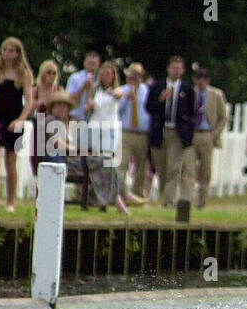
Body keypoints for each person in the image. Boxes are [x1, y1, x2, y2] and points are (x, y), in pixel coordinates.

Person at [0, 37, 34, 213]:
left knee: (11, 160)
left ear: (18, 53)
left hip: (15, 116)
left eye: (11, 50)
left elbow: (29, 101)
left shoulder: (24, 73)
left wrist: (21, 119)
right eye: (4, 50)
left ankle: (10, 200)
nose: (7, 54)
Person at [146, 55, 195, 206]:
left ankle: (168, 201)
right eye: (173, 68)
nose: (176, 71)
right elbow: (149, 107)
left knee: (174, 168)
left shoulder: (187, 89)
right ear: (168, 69)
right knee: (161, 167)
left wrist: (187, 132)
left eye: (179, 68)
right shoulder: (157, 86)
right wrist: (160, 100)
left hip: (177, 133)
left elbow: (192, 113)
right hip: (160, 131)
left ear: (183, 70)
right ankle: (165, 195)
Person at [83, 62, 128, 213]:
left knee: (108, 162)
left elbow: (119, 95)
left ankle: (114, 199)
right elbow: (88, 107)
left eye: (110, 74)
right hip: (95, 130)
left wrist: (110, 93)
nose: (107, 77)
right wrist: (89, 105)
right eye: (104, 74)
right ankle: (119, 199)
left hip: (109, 130)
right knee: (102, 163)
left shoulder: (117, 90)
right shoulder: (95, 90)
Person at [185, 67, 226, 209]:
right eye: (198, 79)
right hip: (192, 134)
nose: (201, 82)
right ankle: (188, 200)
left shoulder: (216, 95)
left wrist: (214, 134)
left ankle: (202, 202)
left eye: (204, 79)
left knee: (205, 170)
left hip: (207, 134)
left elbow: (223, 118)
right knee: (189, 168)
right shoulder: (189, 93)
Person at [116, 63, 150, 205]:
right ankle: (119, 195)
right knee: (122, 164)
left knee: (141, 167)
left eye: (136, 76)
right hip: (126, 132)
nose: (133, 79)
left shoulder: (147, 91)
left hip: (143, 133)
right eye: (131, 76)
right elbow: (117, 110)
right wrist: (126, 98)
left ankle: (137, 195)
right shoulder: (121, 91)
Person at [66, 50, 101, 121]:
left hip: (96, 121)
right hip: (77, 119)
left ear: (98, 64)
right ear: (84, 62)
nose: (91, 65)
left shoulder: (101, 80)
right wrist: (83, 88)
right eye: (89, 63)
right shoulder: (75, 77)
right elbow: (69, 99)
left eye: (94, 63)